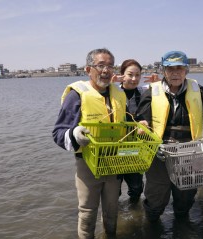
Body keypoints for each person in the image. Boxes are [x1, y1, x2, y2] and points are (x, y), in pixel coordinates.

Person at [135, 50, 203, 222]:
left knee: (186, 194)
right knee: (156, 194)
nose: (175, 73)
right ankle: (152, 224)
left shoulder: (198, 90)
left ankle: (181, 223)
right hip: (160, 151)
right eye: (170, 69)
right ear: (163, 71)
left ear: (186, 70)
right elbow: (141, 122)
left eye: (179, 69)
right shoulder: (152, 91)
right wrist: (149, 141)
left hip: (190, 151)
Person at [52, 48, 126, 238]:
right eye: (100, 65)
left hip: (114, 162)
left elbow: (125, 123)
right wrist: (74, 133)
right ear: (88, 69)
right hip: (88, 163)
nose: (106, 70)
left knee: (112, 209)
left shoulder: (119, 94)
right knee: (87, 212)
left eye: (110, 66)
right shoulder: (76, 95)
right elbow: (58, 133)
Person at [112, 59, 159, 203]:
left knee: (136, 186)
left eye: (137, 75)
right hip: (115, 147)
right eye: (130, 74)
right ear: (121, 75)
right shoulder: (112, 91)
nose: (134, 79)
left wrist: (157, 83)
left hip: (136, 147)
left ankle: (135, 212)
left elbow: (164, 92)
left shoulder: (144, 91)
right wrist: (109, 83)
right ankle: (115, 213)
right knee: (114, 188)